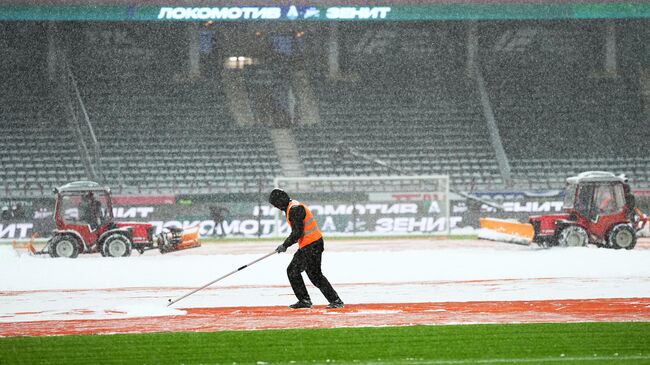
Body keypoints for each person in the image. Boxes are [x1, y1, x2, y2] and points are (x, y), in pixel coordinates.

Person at [269, 188, 344, 309]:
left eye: (276, 204)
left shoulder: (294, 209)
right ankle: (334, 300)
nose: (276, 207)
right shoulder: (292, 207)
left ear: (280, 201)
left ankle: (306, 300)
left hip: (311, 245)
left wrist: (285, 245)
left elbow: (297, 232)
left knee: (293, 271)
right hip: (312, 244)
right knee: (315, 275)